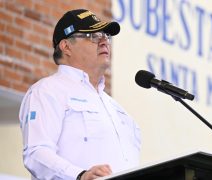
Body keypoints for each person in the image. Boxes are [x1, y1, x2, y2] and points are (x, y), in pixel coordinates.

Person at [19, 9, 141, 180]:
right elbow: (36, 153)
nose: (104, 41)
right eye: (94, 36)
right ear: (66, 46)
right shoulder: (47, 91)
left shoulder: (118, 110)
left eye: (106, 36)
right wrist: (80, 176)